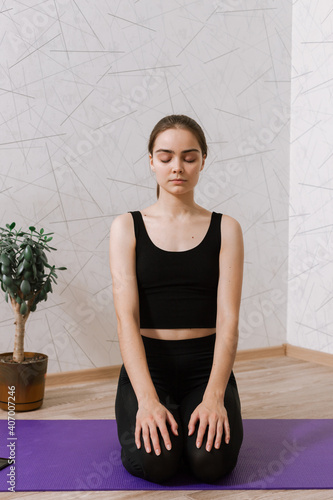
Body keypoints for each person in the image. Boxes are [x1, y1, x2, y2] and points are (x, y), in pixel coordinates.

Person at [109, 114, 244, 484]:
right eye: (165, 156)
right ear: (151, 161)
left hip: (206, 365)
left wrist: (215, 396)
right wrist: (148, 401)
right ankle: (163, 417)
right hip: (148, 366)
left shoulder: (226, 228)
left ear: (202, 161)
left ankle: (191, 421)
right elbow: (126, 319)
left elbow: (229, 321)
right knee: (160, 466)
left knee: (211, 465)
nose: (177, 167)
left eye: (189, 156)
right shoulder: (126, 226)